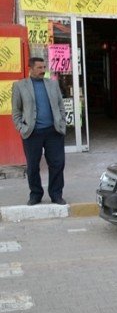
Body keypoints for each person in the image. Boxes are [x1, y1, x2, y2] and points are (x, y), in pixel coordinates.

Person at [11, 57, 67, 205]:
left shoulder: (53, 84)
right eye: (40, 68)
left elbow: (61, 105)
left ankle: (56, 194)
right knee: (33, 166)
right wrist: (22, 128)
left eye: (44, 67)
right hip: (32, 133)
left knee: (57, 163)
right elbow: (16, 112)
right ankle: (35, 194)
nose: (43, 70)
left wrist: (62, 123)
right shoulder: (20, 86)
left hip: (53, 132)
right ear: (31, 68)